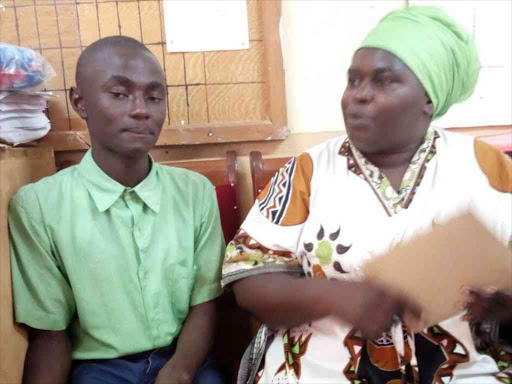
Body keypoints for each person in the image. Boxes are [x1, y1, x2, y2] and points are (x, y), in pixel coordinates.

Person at [222, 6, 512, 384]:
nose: (358, 97)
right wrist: (336, 298)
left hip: (462, 369)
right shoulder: (308, 171)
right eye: (353, 81)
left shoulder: (485, 166)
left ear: (429, 98)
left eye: (383, 81)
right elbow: (248, 282)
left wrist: (505, 307)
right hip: (321, 369)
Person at [9, 36, 225, 384]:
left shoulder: (194, 192)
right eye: (119, 94)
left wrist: (181, 370)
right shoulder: (39, 207)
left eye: (154, 97)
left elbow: (206, 301)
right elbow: (50, 333)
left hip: (186, 360)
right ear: (79, 101)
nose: (141, 109)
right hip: (100, 370)